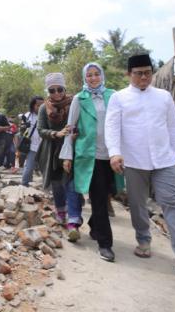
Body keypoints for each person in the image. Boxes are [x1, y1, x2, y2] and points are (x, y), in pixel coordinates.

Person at [105, 54, 175, 273]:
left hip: (165, 159)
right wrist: (115, 153)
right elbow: (112, 127)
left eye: (147, 72)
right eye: (138, 73)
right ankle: (143, 240)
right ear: (129, 74)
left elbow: (174, 126)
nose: (144, 77)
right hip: (134, 160)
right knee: (137, 204)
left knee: (172, 202)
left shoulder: (163, 97)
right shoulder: (119, 98)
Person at [60, 62, 121, 261]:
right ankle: (105, 244)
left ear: (102, 76)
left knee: (109, 193)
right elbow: (71, 127)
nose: (93, 78)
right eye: (89, 75)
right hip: (90, 154)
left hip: (112, 154)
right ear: (84, 78)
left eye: (96, 74)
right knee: (98, 197)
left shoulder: (113, 95)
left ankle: (95, 226)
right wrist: (68, 155)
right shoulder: (80, 98)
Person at [36, 73, 83, 229]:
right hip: (52, 153)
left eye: (59, 89)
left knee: (71, 184)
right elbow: (41, 129)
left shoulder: (75, 103)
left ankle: (74, 220)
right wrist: (55, 133)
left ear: (64, 88)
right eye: (52, 90)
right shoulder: (44, 107)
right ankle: (61, 212)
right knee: (56, 185)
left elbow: (81, 123)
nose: (56, 93)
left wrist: (75, 133)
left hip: (72, 150)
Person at [21, 96, 44, 186]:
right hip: (32, 146)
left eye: (42, 105)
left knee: (45, 168)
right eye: (38, 105)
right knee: (29, 167)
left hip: (44, 145)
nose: (40, 107)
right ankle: (24, 185)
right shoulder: (28, 115)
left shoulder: (47, 115)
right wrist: (24, 127)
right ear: (33, 105)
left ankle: (48, 186)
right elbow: (22, 130)